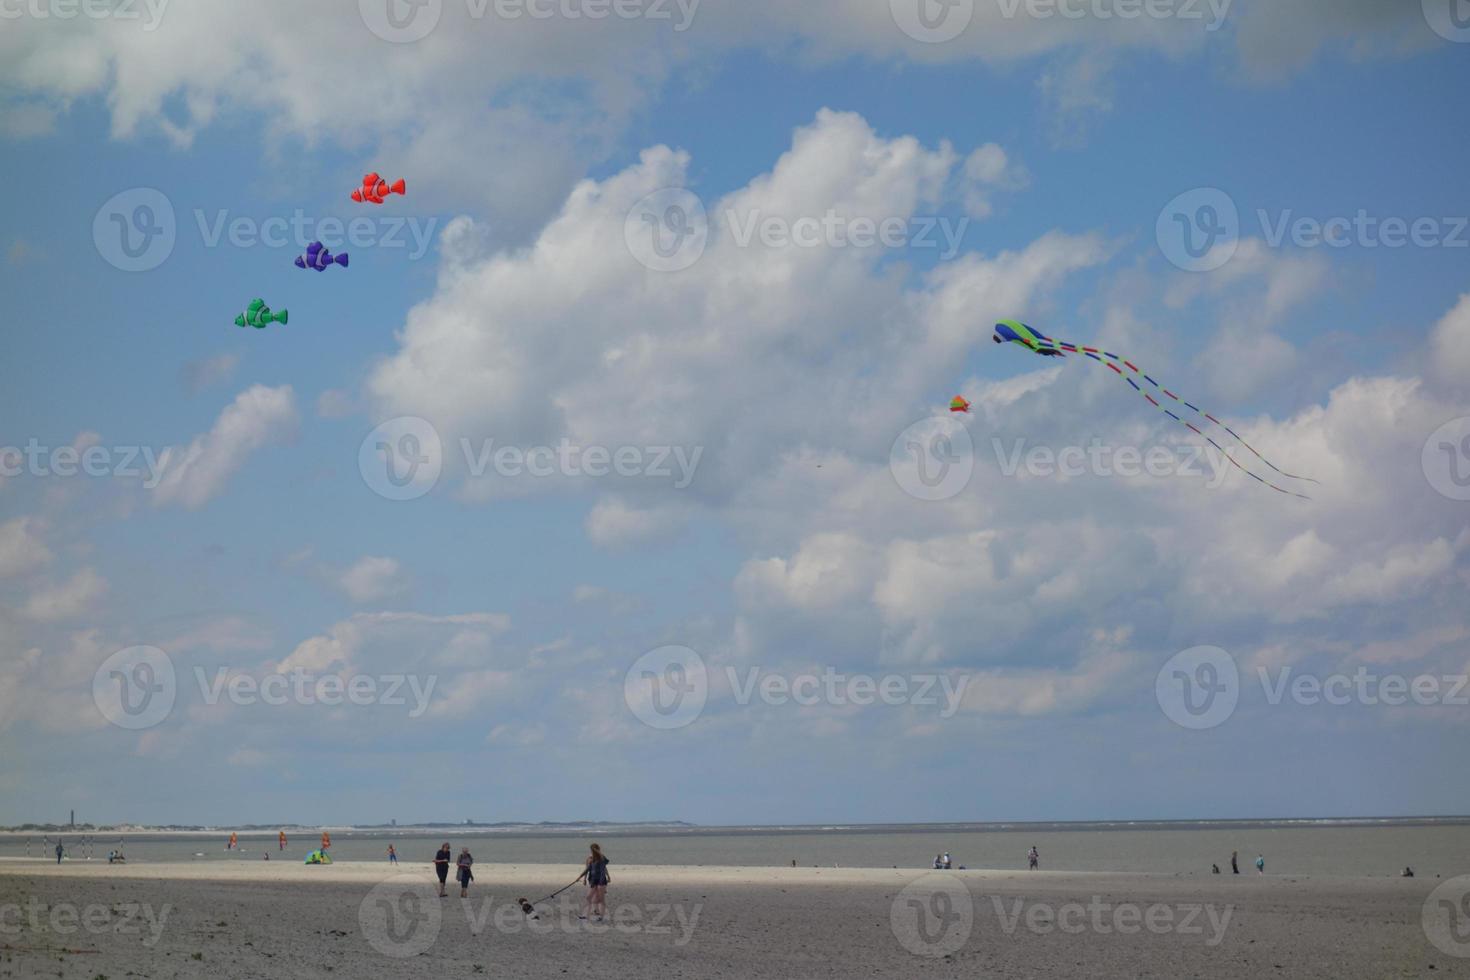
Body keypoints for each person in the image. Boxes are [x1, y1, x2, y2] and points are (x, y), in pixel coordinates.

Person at [581, 843, 611, 922]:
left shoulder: (602, 858)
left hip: (601, 880)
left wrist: (608, 876)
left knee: (601, 898)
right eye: (592, 849)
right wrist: (583, 878)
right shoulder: (590, 858)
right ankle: (587, 915)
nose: (593, 851)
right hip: (593, 879)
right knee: (589, 897)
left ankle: (601, 916)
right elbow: (587, 869)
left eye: (594, 849)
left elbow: (604, 868)